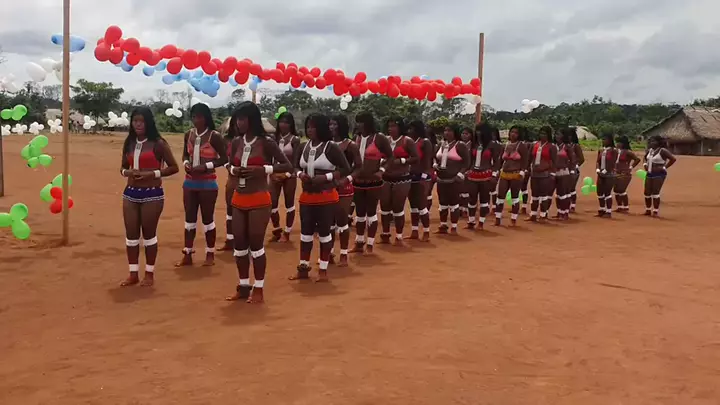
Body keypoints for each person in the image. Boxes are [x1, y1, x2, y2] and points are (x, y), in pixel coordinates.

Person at [225, 102, 292, 304]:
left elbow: (287, 165)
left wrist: (263, 169)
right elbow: (229, 164)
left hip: (259, 199)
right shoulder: (236, 142)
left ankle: (259, 288)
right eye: (237, 119)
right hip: (238, 199)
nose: (238, 123)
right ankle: (243, 286)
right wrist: (234, 170)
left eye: (242, 119)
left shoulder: (266, 142)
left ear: (252, 120)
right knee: (239, 246)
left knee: (256, 245)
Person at [119, 107, 179, 287]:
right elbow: (122, 168)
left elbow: (174, 167)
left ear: (148, 123)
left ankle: (149, 273)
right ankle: (133, 273)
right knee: (131, 236)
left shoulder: (158, 144)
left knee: (149, 235)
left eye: (141, 121)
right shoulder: (129, 142)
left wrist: (152, 174)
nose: (138, 124)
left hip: (152, 194)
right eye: (135, 121)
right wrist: (128, 172)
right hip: (130, 193)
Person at [289, 114, 351, 282]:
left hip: (326, 197)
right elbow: (294, 166)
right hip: (307, 197)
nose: (310, 130)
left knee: (324, 233)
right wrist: (300, 174)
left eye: (313, 127)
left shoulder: (331, 147)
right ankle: (303, 268)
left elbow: (345, 169)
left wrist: (326, 177)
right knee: (305, 234)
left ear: (321, 128)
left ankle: (323, 270)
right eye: (308, 126)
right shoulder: (303, 146)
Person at [176, 103, 228, 268]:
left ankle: (210, 253)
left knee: (207, 219)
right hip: (190, 182)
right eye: (193, 117)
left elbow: (224, 159)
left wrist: (206, 166)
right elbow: (185, 154)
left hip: (208, 182)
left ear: (205, 118)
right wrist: (186, 163)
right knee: (189, 220)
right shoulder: (188, 134)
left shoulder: (214, 136)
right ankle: (187, 253)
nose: (196, 120)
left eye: (199, 117)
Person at [350, 112, 394, 254]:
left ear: (368, 123)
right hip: (357, 181)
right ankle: (359, 242)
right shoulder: (356, 138)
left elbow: (390, 157)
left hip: (373, 181)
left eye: (361, 122)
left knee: (371, 213)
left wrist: (381, 170)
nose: (358, 125)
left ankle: (370, 244)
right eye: (357, 122)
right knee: (359, 214)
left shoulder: (379, 138)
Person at [379, 116, 419, 245]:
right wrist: (381, 161)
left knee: (398, 207)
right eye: (389, 126)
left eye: (394, 126)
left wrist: (402, 160)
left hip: (402, 178)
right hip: (386, 177)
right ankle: (385, 234)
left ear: (400, 127)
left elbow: (416, 158)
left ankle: (399, 236)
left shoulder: (407, 141)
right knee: (384, 206)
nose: (391, 129)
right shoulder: (385, 140)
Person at [329, 114, 361, 266]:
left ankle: (343, 254)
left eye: (335, 124)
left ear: (342, 126)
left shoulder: (351, 145)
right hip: (328, 186)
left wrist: (347, 179)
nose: (332, 127)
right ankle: (328, 253)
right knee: (328, 222)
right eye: (330, 124)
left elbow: (358, 167)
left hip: (344, 187)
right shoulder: (326, 144)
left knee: (342, 221)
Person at [269, 112, 300, 242]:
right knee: (272, 202)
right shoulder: (273, 138)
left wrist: (287, 174)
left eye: (286, 122)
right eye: (281, 122)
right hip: (275, 173)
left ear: (291, 124)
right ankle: (277, 229)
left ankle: (287, 232)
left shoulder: (295, 139)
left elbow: (296, 161)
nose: (283, 125)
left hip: (289, 175)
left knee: (289, 203)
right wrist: (271, 173)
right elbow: (269, 158)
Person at [434, 123, 470, 234]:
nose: (447, 133)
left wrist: (460, 174)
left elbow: (467, 162)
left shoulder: (460, 145)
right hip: (441, 179)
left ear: (455, 132)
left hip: (454, 179)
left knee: (454, 203)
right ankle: (443, 225)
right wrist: (435, 164)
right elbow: (435, 157)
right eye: (445, 130)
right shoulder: (440, 144)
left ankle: (454, 227)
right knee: (442, 203)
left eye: (450, 130)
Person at [466, 123, 502, 229]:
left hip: (486, 175)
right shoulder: (473, 144)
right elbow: (469, 160)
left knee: (484, 199)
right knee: (471, 199)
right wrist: (467, 170)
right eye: (477, 131)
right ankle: (471, 221)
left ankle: (481, 222)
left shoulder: (492, 145)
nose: (478, 133)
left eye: (480, 131)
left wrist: (494, 174)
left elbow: (496, 161)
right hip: (473, 174)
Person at [495, 126, 529, 226]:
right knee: (500, 196)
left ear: (519, 135)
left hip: (516, 174)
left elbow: (525, 160)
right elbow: (500, 160)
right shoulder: (505, 145)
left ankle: (513, 220)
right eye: (512, 132)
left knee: (514, 197)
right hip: (504, 173)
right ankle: (497, 219)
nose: (513, 134)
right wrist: (497, 170)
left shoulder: (521, 146)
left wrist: (522, 171)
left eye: (516, 133)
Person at [407, 120, 434, 241]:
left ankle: (426, 232)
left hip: (422, 176)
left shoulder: (425, 142)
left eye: (412, 128)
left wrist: (424, 176)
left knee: (422, 205)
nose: (409, 131)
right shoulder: (409, 142)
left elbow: (427, 161)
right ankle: (414, 231)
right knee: (413, 205)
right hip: (410, 176)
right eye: (409, 129)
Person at [526, 126, 557, 222]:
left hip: (545, 174)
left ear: (548, 135)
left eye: (544, 133)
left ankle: (543, 215)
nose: (542, 135)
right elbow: (529, 158)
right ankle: (533, 214)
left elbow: (555, 161)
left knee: (544, 196)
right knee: (534, 195)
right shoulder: (534, 144)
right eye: (541, 133)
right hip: (534, 173)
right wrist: (527, 169)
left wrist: (552, 174)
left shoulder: (552, 146)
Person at [218, 119, 239, 252]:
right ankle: (230, 240)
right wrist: (229, 167)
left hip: (247, 179)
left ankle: (244, 241)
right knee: (230, 210)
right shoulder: (226, 140)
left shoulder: (249, 140)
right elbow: (223, 158)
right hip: (232, 178)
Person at [643, 135, 676, 217]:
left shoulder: (662, 150)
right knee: (647, 192)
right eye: (651, 141)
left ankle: (655, 211)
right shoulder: (650, 150)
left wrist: (664, 167)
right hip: (649, 172)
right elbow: (644, 158)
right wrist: (645, 164)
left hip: (659, 173)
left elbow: (673, 159)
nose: (652, 143)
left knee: (655, 192)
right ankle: (648, 210)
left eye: (654, 141)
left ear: (658, 142)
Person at [552, 128, 576, 220]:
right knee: (558, 194)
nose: (556, 136)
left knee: (564, 194)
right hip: (554, 172)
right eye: (556, 134)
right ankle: (559, 212)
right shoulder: (553, 146)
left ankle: (565, 212)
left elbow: (573, 160)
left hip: (564, 172)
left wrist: (572, 171)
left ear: (563, 136)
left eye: (559, 134)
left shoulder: (567, 147)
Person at [613, 135, 641, 213]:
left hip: (624, 173)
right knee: (616, 190)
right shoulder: (616, 151)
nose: (617, 144)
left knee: (622, 190)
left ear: (623, 143)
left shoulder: (628, 152)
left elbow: (637, 159)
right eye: (616, 142)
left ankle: (626, 207)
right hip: (616, 172)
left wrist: (630, 167)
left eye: (619, 142)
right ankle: (619, 207)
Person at [595, 133, 618, 217]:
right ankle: (601, 209)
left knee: (607, 193)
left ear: (610, 140)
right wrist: (598, 170)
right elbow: (598, 161)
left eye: (605, 139)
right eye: (603, 139)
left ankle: (608, 212)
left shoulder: (614, 150)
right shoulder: (601, 150)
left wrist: (604, 171)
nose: (603, 141)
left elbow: (612, 162)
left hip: (609, 174)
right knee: (599, 192)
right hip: (600, 173)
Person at [458, 126, 474, 219]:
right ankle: (459, 208)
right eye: (463, 133)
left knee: (466, 191)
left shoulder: (472, 146)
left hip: (468, 171)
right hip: (458, 170)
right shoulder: (458, 144)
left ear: (471, 135)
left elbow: (473, 159)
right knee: (459, 190)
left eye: (466, 134)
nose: (464, 135)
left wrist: (470, 169)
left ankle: (465, 209)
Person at [569, 130, 585, 213]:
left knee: (572, 188)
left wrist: (576, 166)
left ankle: (573, 205)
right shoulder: (566, 145)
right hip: (566, 169)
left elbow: (582, 159)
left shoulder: (576, 146)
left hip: (574, 170)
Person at [489, 126, 502, 210]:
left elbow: (498, 160)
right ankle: (487, 205)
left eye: (494, 134)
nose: (492, 136)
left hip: (495, 168)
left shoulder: (499, 145)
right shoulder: (487, 144)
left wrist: (495, 171)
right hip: (487, 167)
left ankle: (494, 206)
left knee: (493, 187)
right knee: (487, 188)